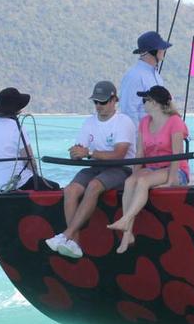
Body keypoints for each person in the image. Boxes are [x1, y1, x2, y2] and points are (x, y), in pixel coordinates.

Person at [44, 82, 136, 259]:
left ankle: (66, 235)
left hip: (120, 168)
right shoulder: (89, 122)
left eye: (102, 102)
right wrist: (76, 153)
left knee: (94, 186)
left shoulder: (123, 121)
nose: (98, 106)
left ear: (113, 100)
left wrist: (90, 153)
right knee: (70, 190)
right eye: (95, 102)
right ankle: (74, 243)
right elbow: (80, 149)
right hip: (95, 166)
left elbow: (119, 154)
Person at [108, 85, 189, 253]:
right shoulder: (144, 122)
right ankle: (127, 234)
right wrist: (135, 173)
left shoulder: (175, 122)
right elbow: (139, 153)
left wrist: (170, 181)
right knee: (131, 181)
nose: (142, 103)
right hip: (153, 168)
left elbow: (177, 155)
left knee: (143, 181)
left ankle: (126, 219)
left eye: (145, 100)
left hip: (175, 169)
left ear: (154, 103)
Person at [0, 87, 56, 192]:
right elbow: (29, 159)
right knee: (54, 187)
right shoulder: (17, 126)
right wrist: (38, 178)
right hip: (16, 182)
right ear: (18, 108)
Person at [119, 30, 172, 125]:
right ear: (153, 51)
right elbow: (128, 111)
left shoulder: (157, 76)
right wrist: (140, 138)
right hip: (143, 137)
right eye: (161, 48)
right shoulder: (134, 76)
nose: (164, 50)